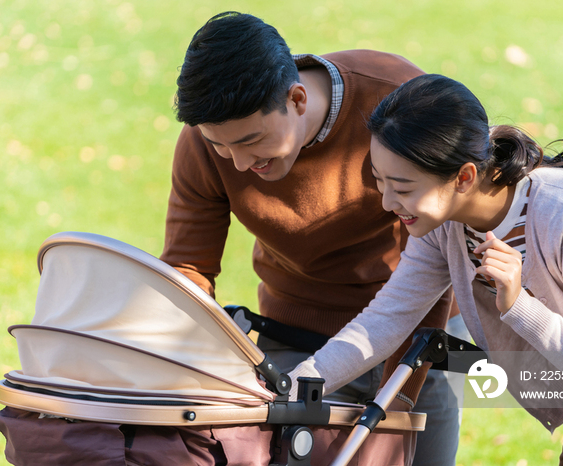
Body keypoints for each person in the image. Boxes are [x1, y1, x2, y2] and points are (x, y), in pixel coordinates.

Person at [289, 74, 563, 465]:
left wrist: (520, 306)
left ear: (465, 177)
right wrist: (289, 388)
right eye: (379, 181)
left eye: (403, 188)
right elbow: (385, 320)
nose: (388, 202)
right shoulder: (443, 226)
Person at [160, 11, 454, 465]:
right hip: (290, 329)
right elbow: (189, 267)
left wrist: (398, 400)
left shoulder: (397, 103)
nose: (237, 163)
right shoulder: (205, 141)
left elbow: (440, 260)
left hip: (413, 331)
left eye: (251, 140)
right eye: (222, 146)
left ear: (297, 99)